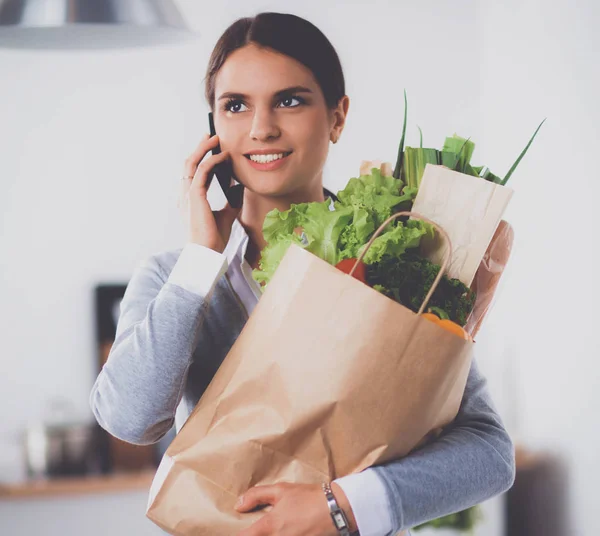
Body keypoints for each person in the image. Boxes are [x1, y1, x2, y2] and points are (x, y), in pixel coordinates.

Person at [89, 12, 515, 536]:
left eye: (289, 100)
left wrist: (340, 505)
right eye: (235, 105)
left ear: (337, 117)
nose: (261, 127)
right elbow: (131, 420)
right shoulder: (174, 277)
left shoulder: (400, 259)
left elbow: (489, 453)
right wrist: (202, 258)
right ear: (213, 128)